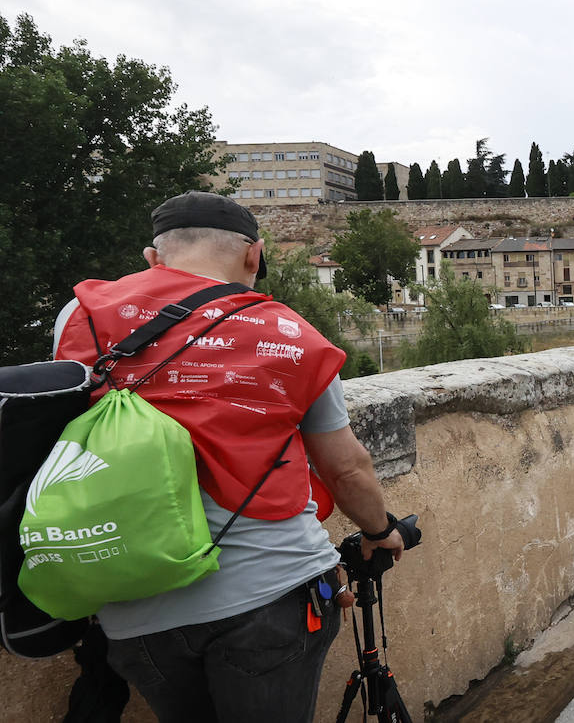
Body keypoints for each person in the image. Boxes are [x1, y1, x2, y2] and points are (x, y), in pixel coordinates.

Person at [52, 191, 409, 722]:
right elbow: (345, 467)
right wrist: (382, 531)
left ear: (153, 258)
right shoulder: (287, 332)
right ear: (254, 256)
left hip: (131, 600)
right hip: (270, 589)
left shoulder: (80, 316)